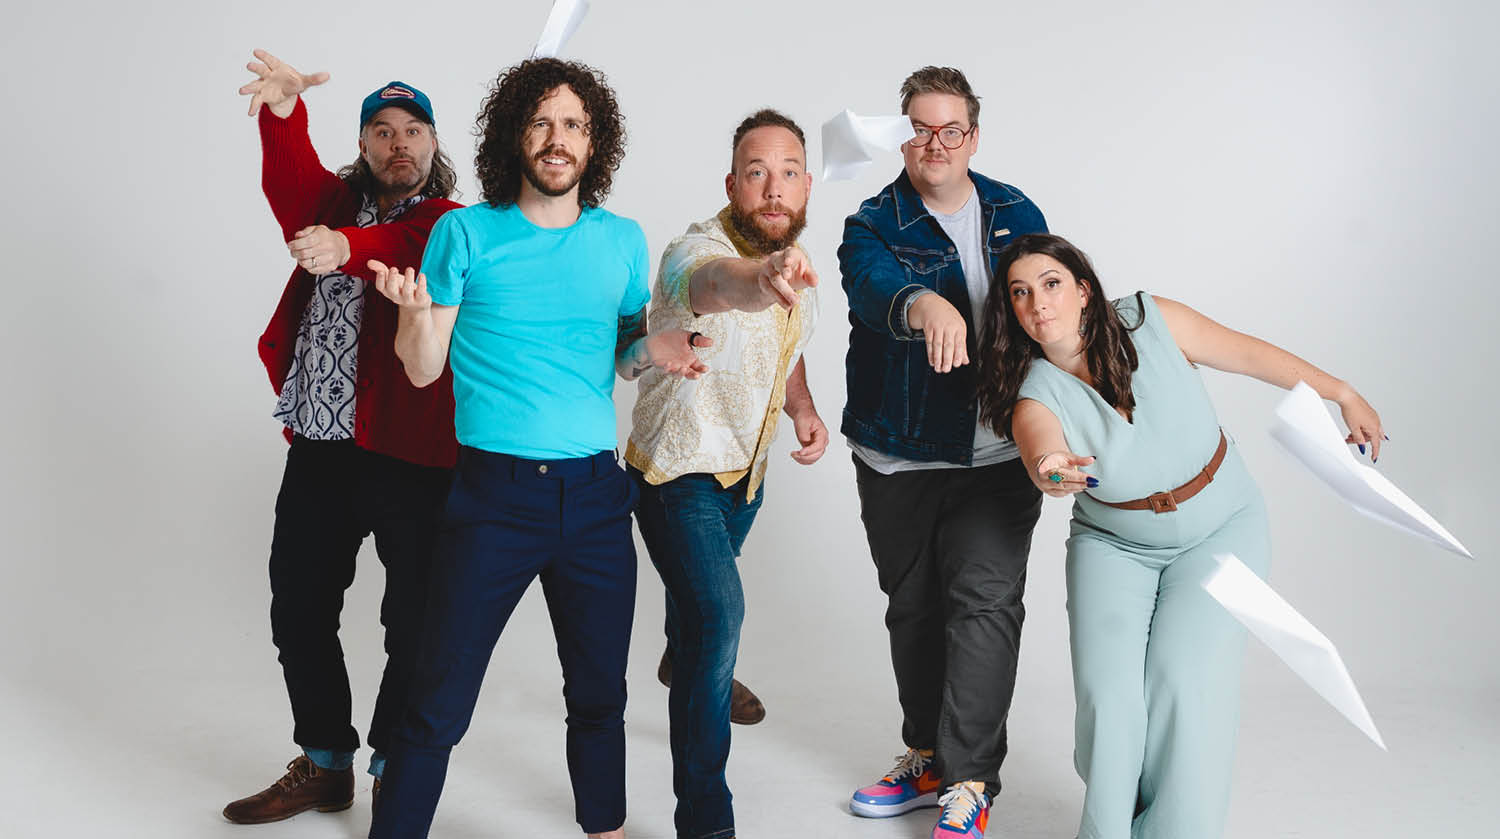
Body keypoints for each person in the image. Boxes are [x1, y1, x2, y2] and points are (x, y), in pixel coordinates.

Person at [364, 58, 707, 839]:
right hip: (492, 498)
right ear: (515, 133)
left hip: (594, 498)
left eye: (575, 124)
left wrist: (659, 347)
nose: (559, 139)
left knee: (598, 693)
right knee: (439, 691)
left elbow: (620, 351)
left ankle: (604, 826)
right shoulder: (466, 232)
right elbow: (423, 370)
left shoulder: (621, 240)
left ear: (596, 142)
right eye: (543, 121)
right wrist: (414, 314)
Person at [976, 233, 1383, 839]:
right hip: (1114, 547)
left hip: (1221, 530)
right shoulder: (1034, 390)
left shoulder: (1152, 319)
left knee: (1183, 685)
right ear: (1012, 310)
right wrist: (1050, 471)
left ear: (1083, 289)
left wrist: (1342, 393)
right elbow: (1043, 446)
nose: (1039, 303)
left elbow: (1249, 356)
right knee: (1111, 704)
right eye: (1021, 293)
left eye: (1052, 283)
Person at [223, 50, 461, 825]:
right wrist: (286, 114)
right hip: (321, 447)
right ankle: (326, 761)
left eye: (413, 130)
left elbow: (406, 250)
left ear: (432, 143)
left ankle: (396, 762)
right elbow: (292, 190)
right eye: (383, 131)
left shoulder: (451, 222)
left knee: (414, 619)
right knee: (297, 604)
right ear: (363, 145)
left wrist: (345, 249)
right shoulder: (332, 202)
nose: (399, 144)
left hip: (411, 453)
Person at [839, 66, 1047, 839]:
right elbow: (873, 287)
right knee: (915, 610)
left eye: (949, 129)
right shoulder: (870, 223)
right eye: (919, 128)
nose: (934, 143)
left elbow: (1054, 304)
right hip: (898, 456)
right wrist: (923, 303)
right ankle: (926, 754)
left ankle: (969, 779)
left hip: (999, 455)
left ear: (972, 136)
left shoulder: (1017, 211)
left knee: (984, 606)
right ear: (902, 135)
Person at [626, 108, 828, 839]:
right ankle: (706, 819)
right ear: (731, 185)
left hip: (745, 477)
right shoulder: (694, 253)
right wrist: (761, 274)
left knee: (701, 618)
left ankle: (684, 658)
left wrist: (802, 409)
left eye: (788, 173)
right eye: (756, 173)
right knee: (720, 616)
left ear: (807, 186)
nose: (773, 189)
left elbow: (789, 342)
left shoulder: (801, 263)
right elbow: (722, 286)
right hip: (675, 473)